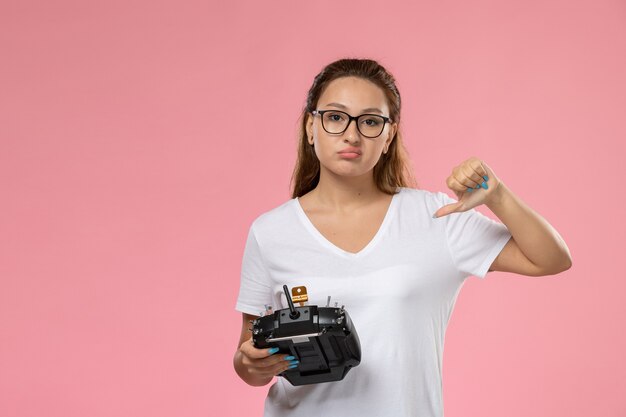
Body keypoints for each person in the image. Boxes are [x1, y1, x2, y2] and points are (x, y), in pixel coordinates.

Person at [232, 58, 572, 417]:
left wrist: (497, 195)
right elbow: (247, 358)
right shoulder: (270, 232)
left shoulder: (436, 218)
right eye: (335, 117)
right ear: (310, 127)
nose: (352, 134)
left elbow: (552, 258)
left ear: (389, 134)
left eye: (370, 121)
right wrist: (251, 365)